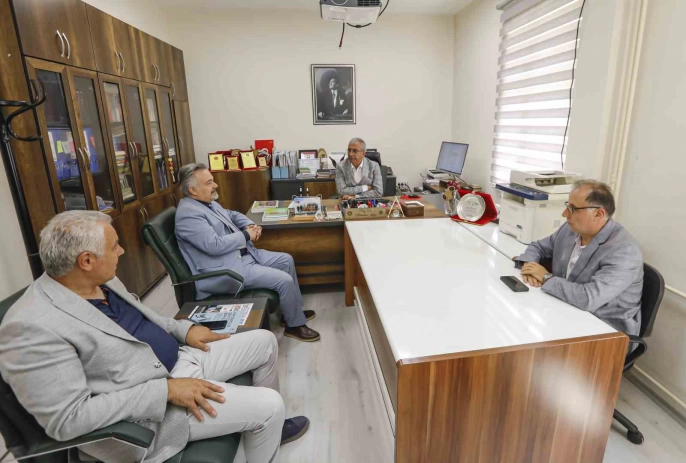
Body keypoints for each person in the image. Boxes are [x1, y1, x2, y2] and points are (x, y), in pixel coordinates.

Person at [0, 211, 310, 463]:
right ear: (86, 261)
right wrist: (165, 391)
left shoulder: (100, 280)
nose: (121, 251)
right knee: (269, 406)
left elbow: (145, 317)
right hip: (153, 412)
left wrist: (184, 329)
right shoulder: (31, 326)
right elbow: (68, 419)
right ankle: (266, 426)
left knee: (264, 341)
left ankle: (270, 432)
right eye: (114, 246)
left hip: (177, 361)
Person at [175, 163, 320, 342]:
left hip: (242, 255)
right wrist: (245, 235)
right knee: (284, 280)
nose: (215, 185)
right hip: (226, 269)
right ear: (193, 190)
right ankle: (295, 326)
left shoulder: (206, 203)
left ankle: (291, 312)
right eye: (209, 182)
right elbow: (214, 245)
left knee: (286, 260)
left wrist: (249, 224)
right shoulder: (188, 215)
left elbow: (231, 214)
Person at [515, 180, 643, 336]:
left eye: (573, 208)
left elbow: (588, 298)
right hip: (565, 311)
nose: (565, 214)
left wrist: (546, 277)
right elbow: (539, 247)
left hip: (605, 332)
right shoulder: (571, 229)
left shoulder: (624, 251)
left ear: (598, 214)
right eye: (567, 206)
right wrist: (529, 266)